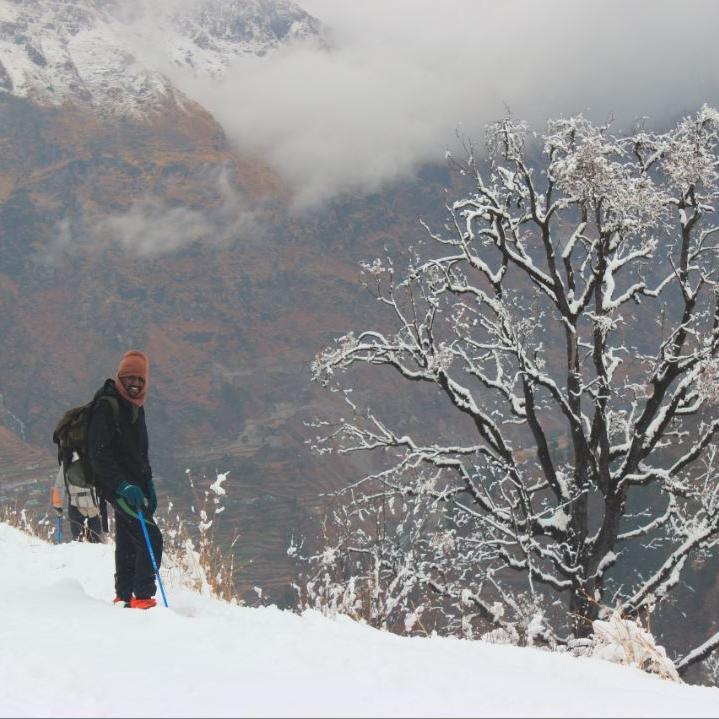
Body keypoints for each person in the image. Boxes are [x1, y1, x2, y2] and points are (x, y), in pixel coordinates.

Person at [88, 350, 162, 609]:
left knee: (130, 537)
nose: (135, 383)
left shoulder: (136, 406)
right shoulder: (107, 406)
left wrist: (148, 484)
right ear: (120, 377)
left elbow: (140, 452)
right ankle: (142, 597)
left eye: (140, 379)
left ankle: (124, 595)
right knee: (151, 536)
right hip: (116, 484)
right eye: (130, 378)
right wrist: (123, 486)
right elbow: (99, 455)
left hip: (134, 483)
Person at [50, 464, 106, 543]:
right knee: (95, 540)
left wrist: (57, 506)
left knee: (79, 540)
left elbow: (59, 484)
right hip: (92, 506)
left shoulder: (69, 458)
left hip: (76, 505)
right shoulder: (93, 455)